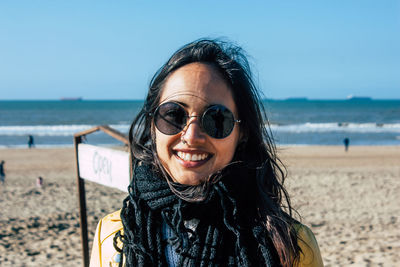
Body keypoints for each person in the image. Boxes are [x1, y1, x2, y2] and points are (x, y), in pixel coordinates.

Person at [90, 39, 324, 267]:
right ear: (152, 124)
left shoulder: (291, 247)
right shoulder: (113, 237)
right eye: (173, 116)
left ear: (242, 132)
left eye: (216, 119)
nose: (191, 136)